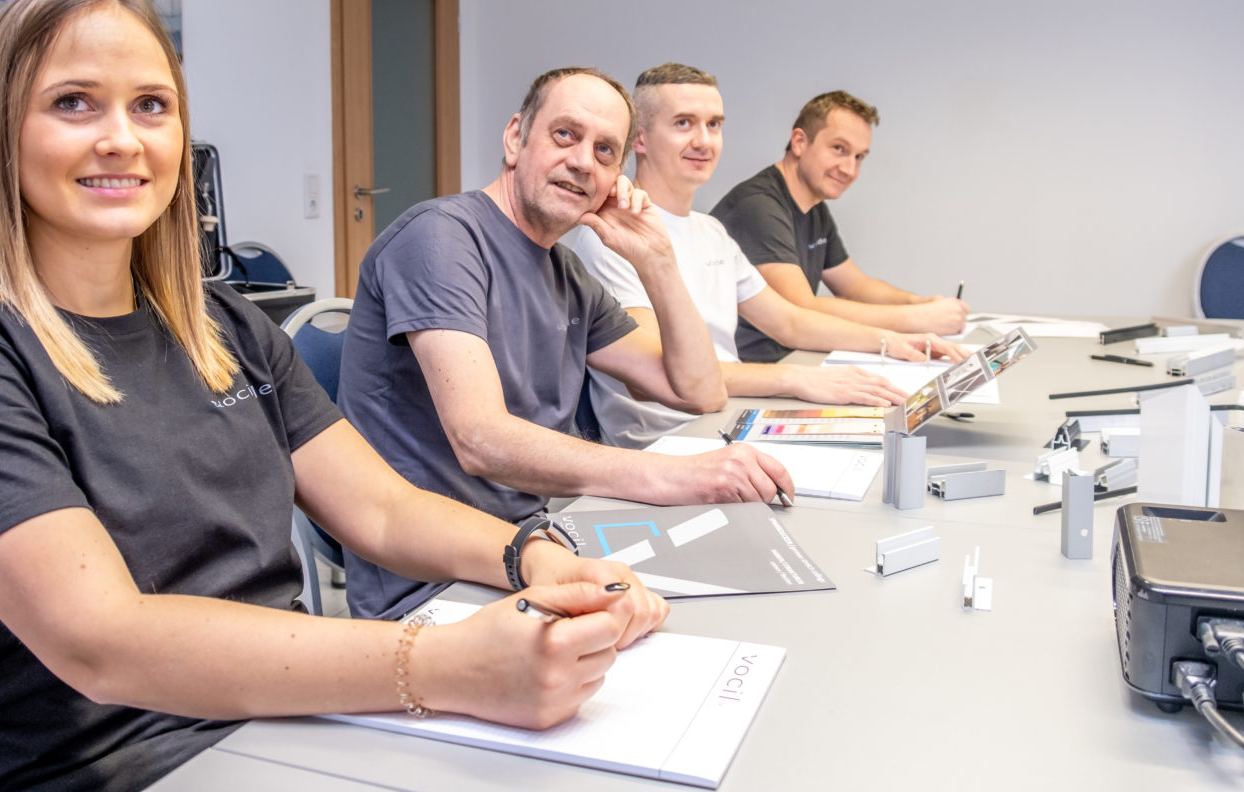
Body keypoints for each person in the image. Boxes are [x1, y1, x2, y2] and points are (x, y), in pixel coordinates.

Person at [0, 0, 667, 792]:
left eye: (151, 106)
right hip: (107, 765)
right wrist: (444, 665)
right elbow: (103, 642)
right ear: (3, 129)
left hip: (280, 720)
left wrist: (530, 555)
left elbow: (382, 510)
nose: (122, 139)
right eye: (73, 103)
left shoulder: (225, 327)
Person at [338, 66, 795, 621]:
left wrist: (655, 260)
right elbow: (480, 438)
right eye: (565, 134)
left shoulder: (566, 272)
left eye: (605, 151)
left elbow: (699, 391)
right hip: (434, 585)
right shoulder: (441, 237)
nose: (583, 162)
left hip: (538, 546)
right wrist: (672, 475)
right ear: (515, 138)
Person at [568, 63, 963, 448]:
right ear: (638, 138)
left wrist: (892, 342)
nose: (704, 141)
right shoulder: (613, 236)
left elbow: (788, 321)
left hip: (730, 412)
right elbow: (664, 375)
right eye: (684, 123)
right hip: (671, 439)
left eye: (714, 124)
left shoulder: (712, 232)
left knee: (891, 430)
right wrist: (797, 379)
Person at [711, 90, 971, 363]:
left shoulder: (814, 208)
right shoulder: (758, 206)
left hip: (790, 359)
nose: (849, 169)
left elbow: (855, 286)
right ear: (799, 142)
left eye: (859, 157)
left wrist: (919, 303)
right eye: (839, 149)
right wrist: (917, 319)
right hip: (747, 368)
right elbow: (802, 309)